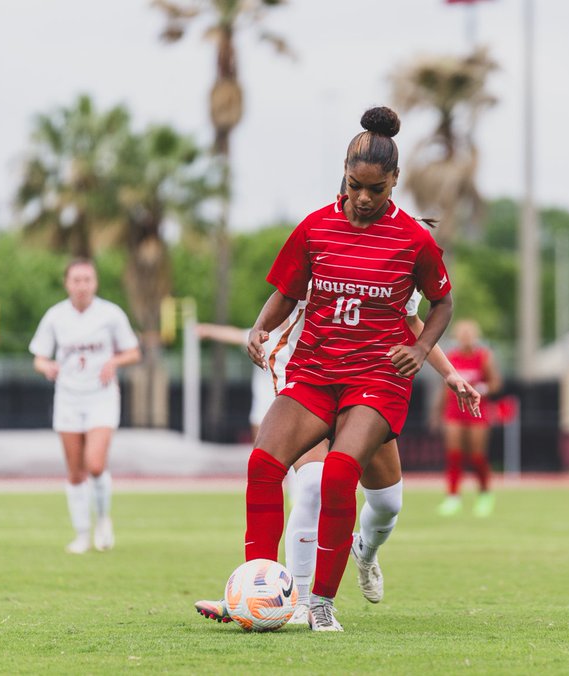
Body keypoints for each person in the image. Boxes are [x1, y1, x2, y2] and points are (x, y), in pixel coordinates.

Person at [195, 106, 455, 632]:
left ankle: (321, 604)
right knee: (264, 466)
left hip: (376, 380)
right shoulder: (315, 227)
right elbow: (287, 292)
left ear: (393, 183)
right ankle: (260, 589)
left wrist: (425, 351)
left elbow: (441, 303)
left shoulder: (414, 240)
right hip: (314, 372)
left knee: (340, 476)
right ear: (344, 172)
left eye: (376, 189)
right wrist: (259, 328)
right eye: (356, 184)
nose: (363, 197)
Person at [194, 292, 479, 626]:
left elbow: (412, 320)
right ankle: (289, 599)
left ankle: (365, 550)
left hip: (365, 386)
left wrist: (449, 373)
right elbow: (280, 295)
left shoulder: (390, 262)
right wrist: (255, 329)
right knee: (312, 485)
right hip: (305, 382)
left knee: (388, 503)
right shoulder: (315, 250)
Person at [29, 258, 141, 554]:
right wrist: (47, 367)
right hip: (67, 397)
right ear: (67, 283)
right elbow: (38, 356)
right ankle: (81, 534)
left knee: (95, 464)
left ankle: (103, 518)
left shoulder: (110, 314)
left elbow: (132, 352)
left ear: (95, 283)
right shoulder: (55, 316)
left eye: (87, 279)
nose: (81, 285)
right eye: (76, 280)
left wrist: (114, 361)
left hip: (101, 396)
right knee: (75, 471)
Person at [435, 319, 502, 518]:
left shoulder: (483, 357)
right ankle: (453, 497)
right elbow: (444, 387)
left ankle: (484, 494)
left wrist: (481, 388)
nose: (465, 339)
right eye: (462, 335)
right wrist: (438, 412)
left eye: (469, 334)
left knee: (477, 455)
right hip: (454, 411)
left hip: (477, 411)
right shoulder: (451, 358)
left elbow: (495, 383)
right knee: (453, 454)